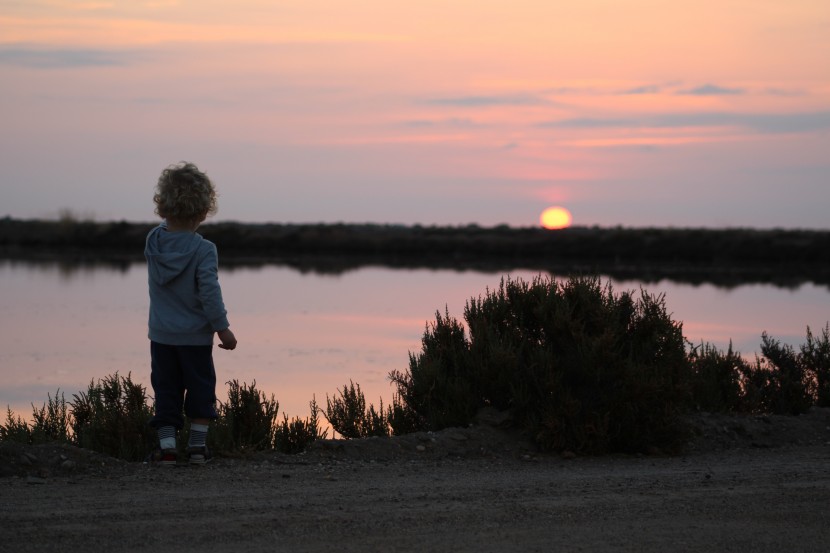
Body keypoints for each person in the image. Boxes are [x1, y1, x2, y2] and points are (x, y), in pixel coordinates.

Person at [144, 161, 237, 466]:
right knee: (200, 390)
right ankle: (197, 448)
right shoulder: (203, 249)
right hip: (195, 338)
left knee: (166, 389)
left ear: (163, 207)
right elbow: (209, 293)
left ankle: (168, 448)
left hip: (161, 336)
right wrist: (222, 328)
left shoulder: (153, 242)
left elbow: (164, 228)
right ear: (202, 211)